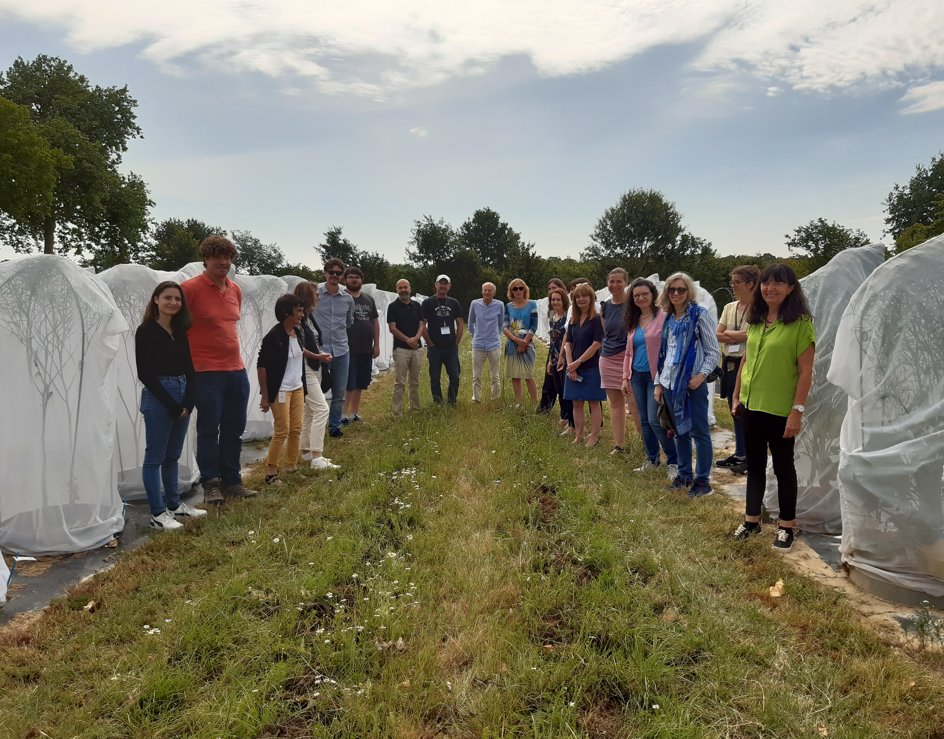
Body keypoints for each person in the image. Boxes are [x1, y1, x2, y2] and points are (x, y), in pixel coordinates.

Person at [732, 264, 815, 551]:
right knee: (755, 466)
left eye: (778, 283)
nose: (770, 288)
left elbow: (806, 372)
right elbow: (746, 360)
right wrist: (736, 396)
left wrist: (797, 411)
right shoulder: (756, 319)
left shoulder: (800, 324)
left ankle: (786, 526)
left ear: (791, 288)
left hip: (780, 410)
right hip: (751, 406)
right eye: (766, 283)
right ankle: (751, 521)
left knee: (783, 468)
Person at [181, 235, 258, 504]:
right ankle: (211, 484)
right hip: (205, 371)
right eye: (217, 257)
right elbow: (178, 329)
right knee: (208, 429)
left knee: (234, 428)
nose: (223, 262)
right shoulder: (190, 289)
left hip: (235, 369)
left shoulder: (235, 290)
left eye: (227, 257)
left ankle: (232, 480)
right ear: (206, 259)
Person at [134, 281, 206, 530]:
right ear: (156, 299)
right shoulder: (146, 331)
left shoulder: (179, 331)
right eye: (168, 298)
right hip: (159, 395)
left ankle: (174, 505)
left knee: (172, 455)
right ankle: (157, 514)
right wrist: (172, 405)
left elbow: (190, 369)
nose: (173, 303)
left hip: (182, 390)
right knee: (155, 458)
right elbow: (145, 373)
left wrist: (188, 401)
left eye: (178, 299)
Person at [653, 272, 721, 498]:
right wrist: (659, 383)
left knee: (699, 432)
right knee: (679, 432)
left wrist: (700, 377)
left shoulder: (699, 315)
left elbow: (713, 351)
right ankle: (684, 475)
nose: (676, 293)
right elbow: (664, 354)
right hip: (670, 384)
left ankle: (702, 481)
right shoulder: (668, 318)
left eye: (681, 289)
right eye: (671, 289)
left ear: (688, 292)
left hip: (691, 384)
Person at [621, 278, 678, 479]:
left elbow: (669, 348)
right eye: (636, 295)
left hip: (656, 377)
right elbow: (628, 352)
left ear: (653, 294)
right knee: (644, 420)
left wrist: (664, 378)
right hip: (637, 376)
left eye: (644, 294)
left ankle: (674, 461)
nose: (640, 298)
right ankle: (652, 459)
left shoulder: (663, 317)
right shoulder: (633, 319)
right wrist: (625, 377)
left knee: (655, 420)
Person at [257, 294, 309, 486]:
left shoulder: (298, 332)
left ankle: (291, 467)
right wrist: (265, 395)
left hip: (297, 388)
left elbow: (300, 353)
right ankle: (271, 473)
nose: (302, 314)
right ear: (286, 313)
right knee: (282, 430)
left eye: (302, 311)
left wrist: (318, 356)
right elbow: (262, 366)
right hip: (280, 390)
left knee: (296, 428)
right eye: (299, 311)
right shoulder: (273, 337)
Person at [716, 265, 760, 475]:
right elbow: (718, 333)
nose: (733, 286)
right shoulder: (729, 307)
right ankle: (740, 453)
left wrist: (730, 335)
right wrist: (739, 335)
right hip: (729, 363)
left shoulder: (759, 307)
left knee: (746, 411)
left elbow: (752, 335)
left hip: (747, 363)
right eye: (732, 282)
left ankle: (750, 456)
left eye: (737, 282)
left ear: (750, 284)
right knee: (734, 410)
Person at [294, 282, 338, 470]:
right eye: (315, 294)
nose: (319, 296)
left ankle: (306, 451)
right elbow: (298, 346)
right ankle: (317, 458)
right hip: (305, 369)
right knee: (321, 408)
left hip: (314, 366)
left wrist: (319, 356)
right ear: (307, 296)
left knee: (310, 411)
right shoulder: (298, 320)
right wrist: (318, 356)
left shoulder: (308, 317)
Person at [313, 258, 354, 438]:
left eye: (338, 273)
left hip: (341, 350)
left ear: (342, 276)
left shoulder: (347, 299)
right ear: (325, 273)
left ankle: (334, 427)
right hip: (319, 351)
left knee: (339, 392)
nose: (334, 276)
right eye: (331, 272)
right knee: (316, 392)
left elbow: (349, 322)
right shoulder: (315, 294)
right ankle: (315, 427)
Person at [563, 283, 606, 446]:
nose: (581, 299)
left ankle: (594, 436)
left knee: (593, 402)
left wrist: (578, 362)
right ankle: (579, 435)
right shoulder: (573, 320)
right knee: (576, 402)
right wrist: (570, 365)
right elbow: (568, 343)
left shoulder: (596, 319)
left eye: (584, 296)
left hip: (591, 367)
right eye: (577, 296)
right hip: (574, 368)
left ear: (591, 298)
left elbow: (596, 344)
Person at [341, 267, 380, 424]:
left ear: (361, 280)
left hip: (365, 347)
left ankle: (354, 413)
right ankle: (343, 415)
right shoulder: (342, 298)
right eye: (351, 277)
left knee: (360, 382)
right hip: (347, 348)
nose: (354, 280)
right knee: (349, 383)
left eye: (357, 277)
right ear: (345, 280)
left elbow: (375, 322)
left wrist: (376, 345)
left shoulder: (368, 299)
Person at [599, 268, 630, 454]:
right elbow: (606, 333)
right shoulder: (605, 307)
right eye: (611, 281)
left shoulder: (633, 305)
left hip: (629, 358)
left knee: (635, 405)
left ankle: (648, 447)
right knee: (615, 404)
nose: (615, 285)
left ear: (626, 282)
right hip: (608, 358)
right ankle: (619, 445)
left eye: (619, 281)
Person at [421, 274, 464, 406]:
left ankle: (452, 401)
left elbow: (460, 322)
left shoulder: (454, 302)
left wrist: (457, 341)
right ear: (436, 285)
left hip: (450, 347)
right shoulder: (427, 303)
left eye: (446, 284)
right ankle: (438, 402)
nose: (443, 286)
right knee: (435, 378)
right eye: (441, 283)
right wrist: (429, 343)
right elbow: (422, 325)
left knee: (455, 376)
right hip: (435, 348)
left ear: (449, 286)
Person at [387, 279, 426, 415]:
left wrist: (416, 338)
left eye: (405, 287)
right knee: (400, 382)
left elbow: (421, 324)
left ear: (410, 288)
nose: (403, 290)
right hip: (401, 349)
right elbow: (392, 328)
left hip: (417, 349)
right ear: (397, 290)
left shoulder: (417, 305)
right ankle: (396, 412)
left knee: (414, 381)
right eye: (400, 288)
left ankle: (415, 409)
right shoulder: (393, 307)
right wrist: (408, 340)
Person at [503, 278, 539, 406]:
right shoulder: (508, 306)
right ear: (511, 291)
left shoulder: (532, 304)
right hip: (512, 343)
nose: (518, 291)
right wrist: (516, 340)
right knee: (515, 375)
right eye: (515, 288)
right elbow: (504, 327)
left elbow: (534, 326)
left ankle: (535, 404)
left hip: (527, 343)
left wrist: (524, 342)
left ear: (525, 290)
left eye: (520, 288)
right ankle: (519, 403)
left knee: (529, 375)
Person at [467, 282, 504, 402]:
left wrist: (497, 336)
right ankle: (476, 398)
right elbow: (470, 323)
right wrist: (475, 335)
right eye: (485, 290)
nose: (487, 292)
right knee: (476, 375)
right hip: (478, 344)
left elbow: (501, 323)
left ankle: (495, 397)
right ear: (482, 291)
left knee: (495, 375)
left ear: (494, 293)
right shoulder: (475, 303)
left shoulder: (500, 305)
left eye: (490, 290)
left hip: (494, 344)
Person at [537, 278, 568, 414]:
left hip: (564, 352)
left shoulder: (568, 312)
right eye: (549, 289)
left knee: (562, 385)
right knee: (549, 381)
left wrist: (562, 356)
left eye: (554, 288)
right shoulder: (552, 313)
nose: (552, 291)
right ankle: (545, 407)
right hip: (553, 351)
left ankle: (566, 415)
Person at [546, 287, 574, 434]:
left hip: (564, 358)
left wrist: (562, 357)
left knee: (567, 390)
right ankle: (564, 416)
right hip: (554, 358)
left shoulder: (567, 318)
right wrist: (550, 361)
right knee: (559, 389)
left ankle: (572, 423)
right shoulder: (553, 319)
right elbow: (552, 342)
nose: (555, 302)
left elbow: (568, 339)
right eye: (553, 299)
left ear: (564, 300)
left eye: (558, 299)